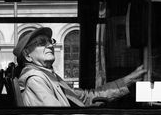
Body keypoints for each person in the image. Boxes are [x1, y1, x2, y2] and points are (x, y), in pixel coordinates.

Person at [13, 27, 147, 107]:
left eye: (50, 41)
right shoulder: (36, 79)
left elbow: (87, 97)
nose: (50, 45)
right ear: (27, 55)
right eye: (42, 43)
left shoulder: (49, 76)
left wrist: (128, 80)